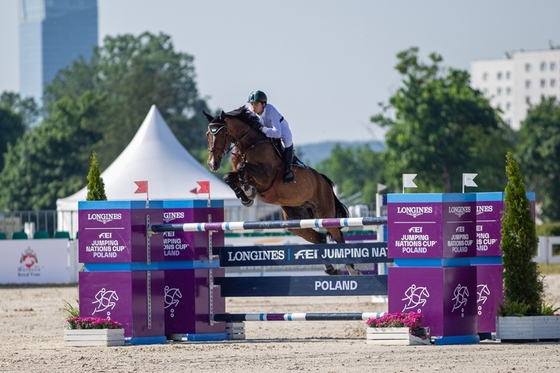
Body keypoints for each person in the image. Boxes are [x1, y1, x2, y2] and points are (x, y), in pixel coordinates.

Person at [247, 90, 295, 183]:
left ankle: (288, 169)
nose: (253, 107)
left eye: (256, 104)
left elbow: (277, 133)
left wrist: (262, 128)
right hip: (265, 128)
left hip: (280, 127)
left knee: (288, 141)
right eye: (252, 104)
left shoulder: (271, 110)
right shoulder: (250, 111)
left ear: (263, 104)